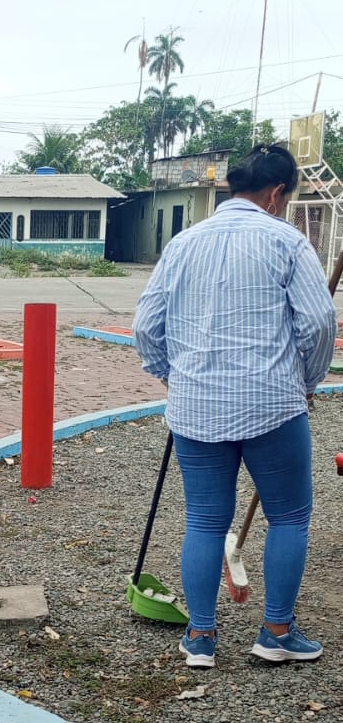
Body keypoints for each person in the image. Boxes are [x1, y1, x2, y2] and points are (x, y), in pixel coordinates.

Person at [133, 143, 337, 668]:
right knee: (289, 516)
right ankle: (276, 632)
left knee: (204, 520)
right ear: (276, 193)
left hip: (196, 406)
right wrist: (308, 381)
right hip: (272, 404)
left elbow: (146, 326)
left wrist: (173, 375)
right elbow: (318, 324)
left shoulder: (183, 243)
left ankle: (201, 637)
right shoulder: (287, 241)